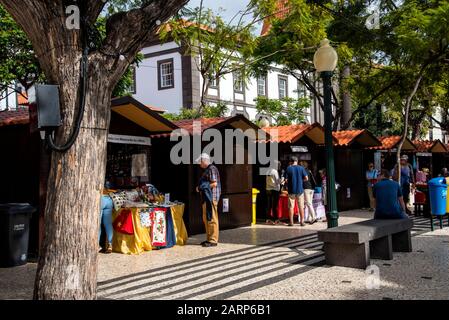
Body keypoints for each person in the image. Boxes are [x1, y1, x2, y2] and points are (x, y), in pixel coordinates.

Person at [196, 153, 221, 247]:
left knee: (212, 218)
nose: (199, 164)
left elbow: (214, 184)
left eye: (200, 162)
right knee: (207, 218)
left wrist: (200, 188)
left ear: (204, 161)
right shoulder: (208, 169)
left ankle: (213, 240)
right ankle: (209, 238)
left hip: (211, 198)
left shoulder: (212, 169)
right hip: (207, 198)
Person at [284, 156, 308, 227]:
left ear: (291, 161)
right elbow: (306, 178)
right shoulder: (301, 168)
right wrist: (301, 181)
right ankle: (302, 222)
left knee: (291, 207)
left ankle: (291, 222)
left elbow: (285, 180)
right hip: (300, 191)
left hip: (291, 191)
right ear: (297, 161)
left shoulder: (288, 168)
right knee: (301, 206)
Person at [100, 187, 115, 254]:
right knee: (108, 224)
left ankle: (97, 245)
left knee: (97, 224)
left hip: (100, 199)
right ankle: (110, 244)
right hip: (109, 199)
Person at [266, 160, 281, 225]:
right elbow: (277, 181)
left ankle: (268, 219)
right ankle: (276, 219)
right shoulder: (275, 171)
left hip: (268, 189)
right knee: (275, 205)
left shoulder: (268, 170)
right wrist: (282, 181)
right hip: (275, 189)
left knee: (269, 205)